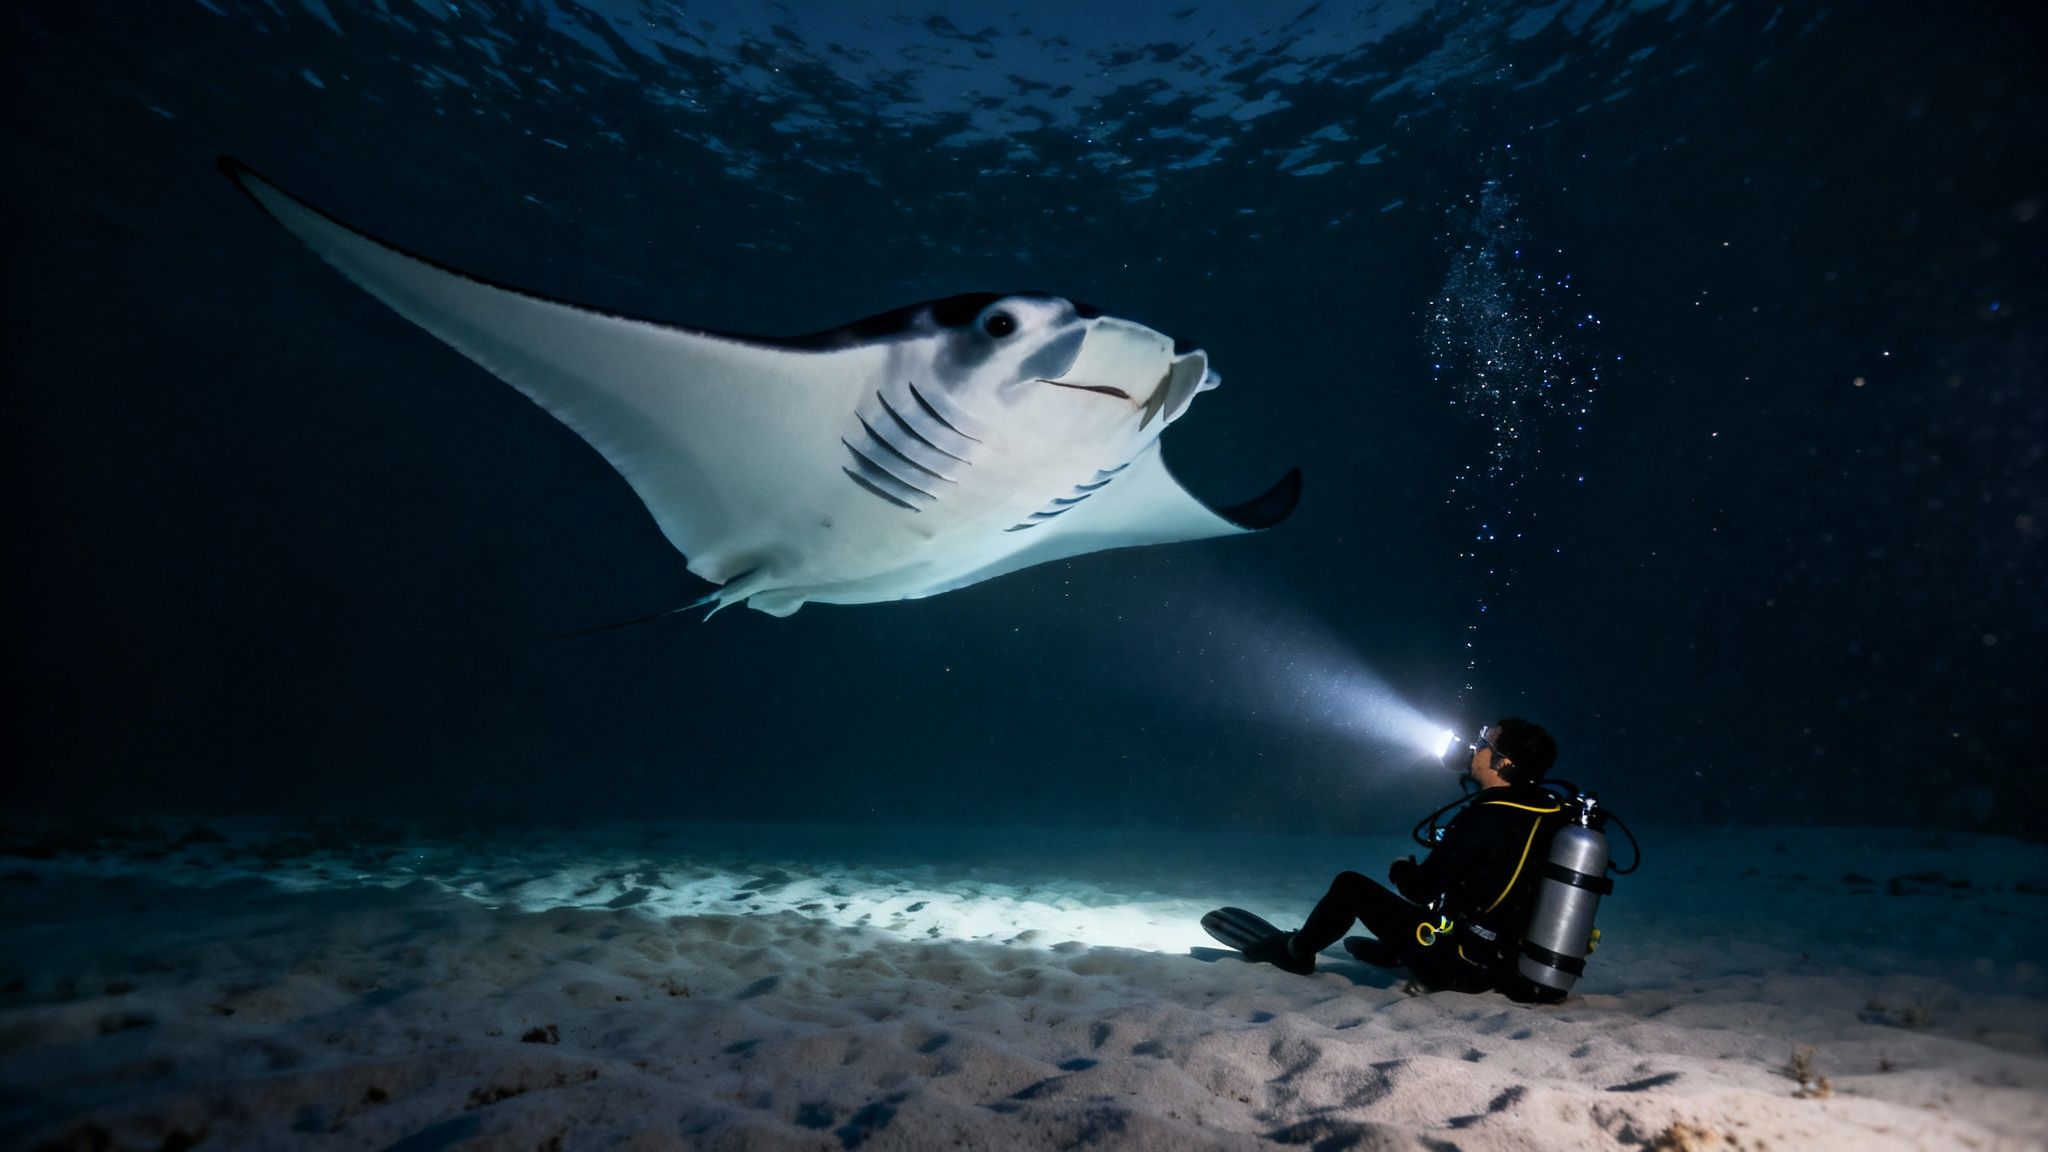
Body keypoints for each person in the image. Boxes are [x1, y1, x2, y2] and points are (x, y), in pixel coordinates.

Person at [1241, 717, 1566, 1000]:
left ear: (1504, 763)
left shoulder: (1487, 816)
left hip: (1463, 967)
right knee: (1441, 909)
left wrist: (1401, 870)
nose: (1473, 745)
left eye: (1484, 741)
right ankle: (1400, 950)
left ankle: (1294, 953)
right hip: (1507, 963)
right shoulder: (1547, 809)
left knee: (1349, 886)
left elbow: (1421, 890)